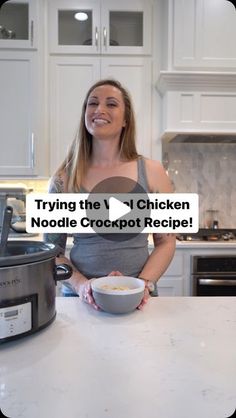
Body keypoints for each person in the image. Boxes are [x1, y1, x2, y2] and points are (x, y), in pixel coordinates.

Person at [44, 79, 176, 310]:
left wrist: (142, 285)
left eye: (111, 104)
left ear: (126, 120)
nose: (99, 110)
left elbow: (166, 242)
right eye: (92, 103)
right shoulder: (63, 179)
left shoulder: (153, 173)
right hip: (79, 302)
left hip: (138, 300)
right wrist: (83, 287)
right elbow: (53, 253)